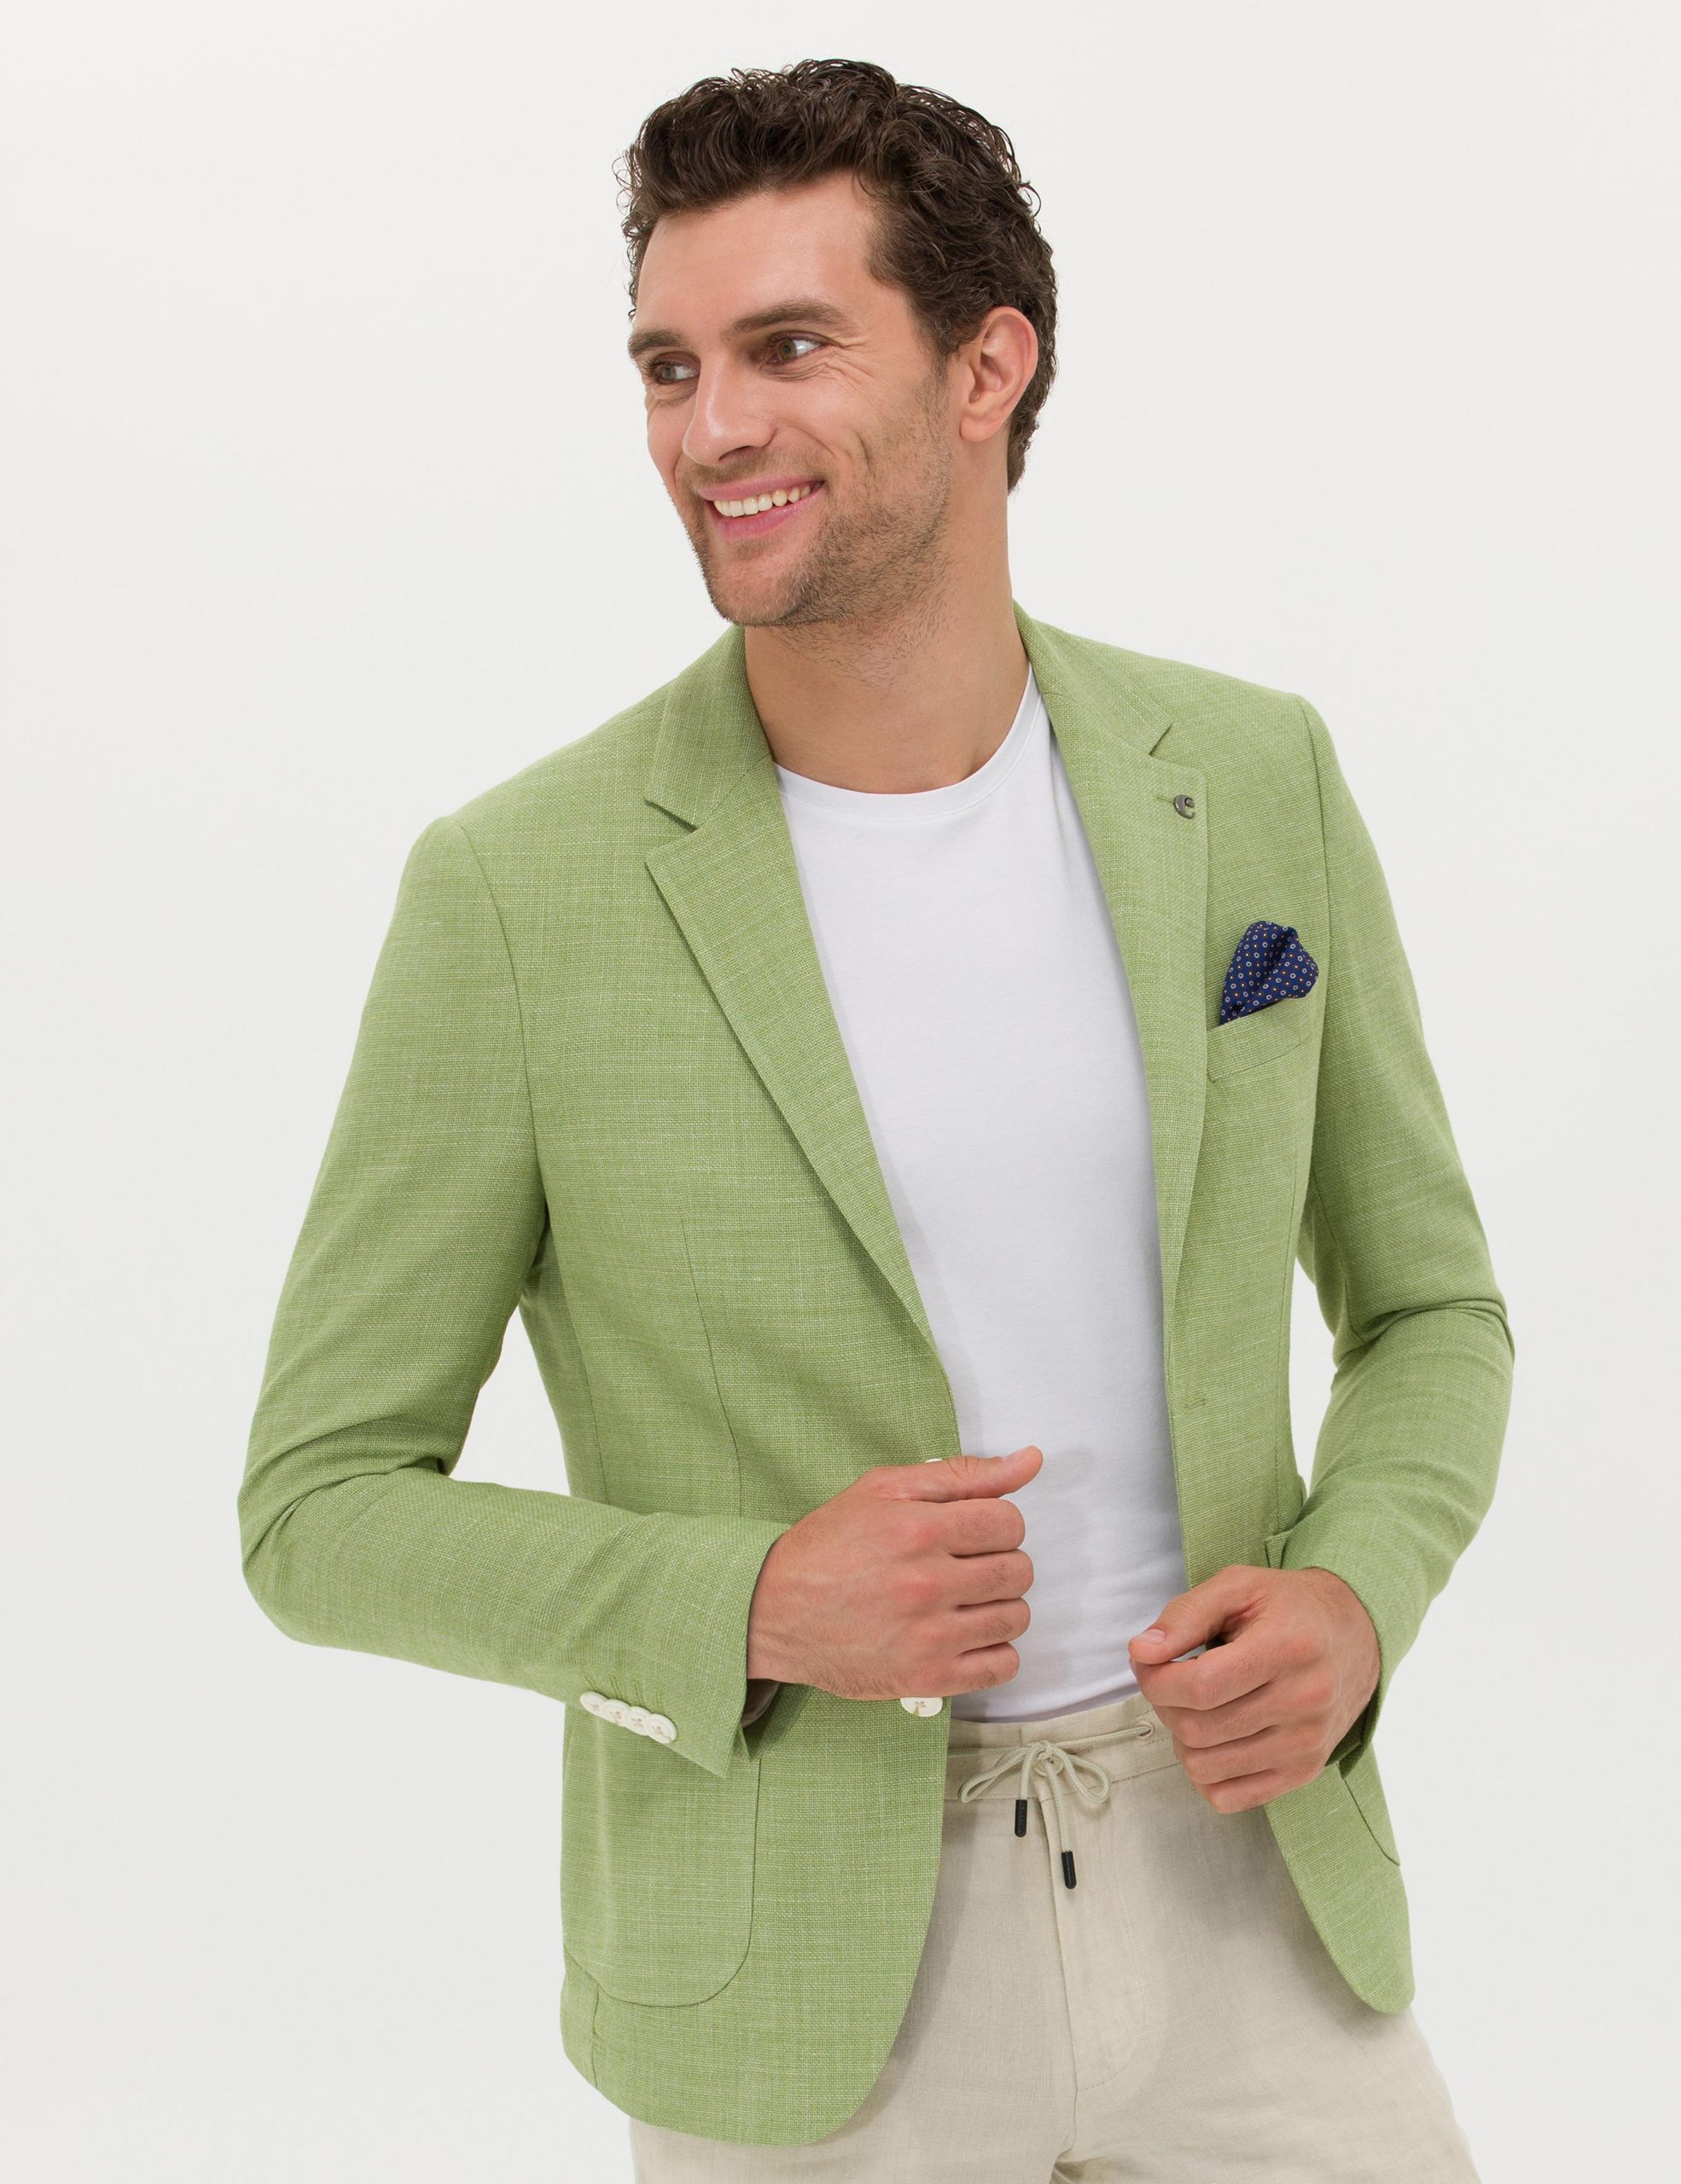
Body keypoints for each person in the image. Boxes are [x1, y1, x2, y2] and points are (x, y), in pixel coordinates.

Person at [239, 57, 1514, 2180]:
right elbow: (315, 1503)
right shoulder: (519, 892)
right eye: (669, 365)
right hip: (804, 1989)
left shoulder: (1249, 776)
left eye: (787, 347)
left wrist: (1358, 1593)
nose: (708, 427)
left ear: (986, 368)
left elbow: (1432, 1311)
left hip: (1252, 1892)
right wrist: (746, 1598)